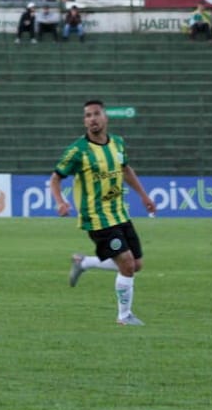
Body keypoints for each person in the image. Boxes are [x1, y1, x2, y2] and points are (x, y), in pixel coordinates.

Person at [48, 100, 156, 326]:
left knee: (136, 264)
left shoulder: (117, 143)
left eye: (96, 114)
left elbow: (125, 169)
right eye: (87, 115)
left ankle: (83, 263)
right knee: (126, 264)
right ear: (84, 121)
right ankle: (124, 316)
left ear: (105, 117)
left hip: (120, 213)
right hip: (97, 218)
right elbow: (56, 178)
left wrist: (144, 196)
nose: (92, 119)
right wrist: (60, 202)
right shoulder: (78, 150)